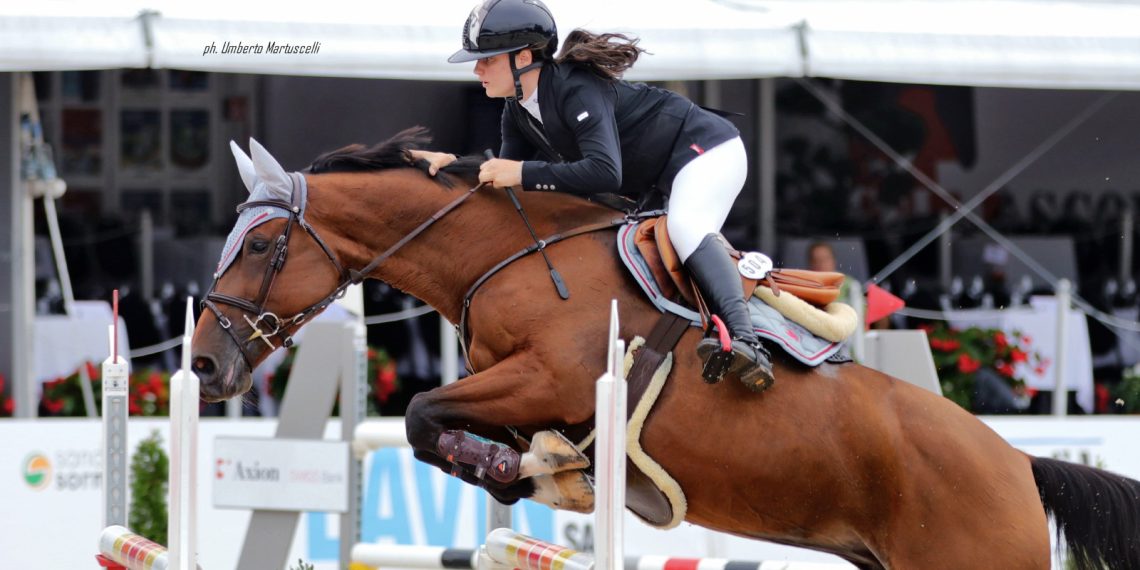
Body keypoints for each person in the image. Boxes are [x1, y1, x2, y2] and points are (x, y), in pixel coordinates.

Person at [408, 0, 773, 391]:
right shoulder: (516, 110)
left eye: (487, 59)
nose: (477, 69)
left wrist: (523, 173)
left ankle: (746, 340)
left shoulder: (575, 89)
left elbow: (604, 172)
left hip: (705, 151)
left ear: (524, 57)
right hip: (659, 180)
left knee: (686, 227)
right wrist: (452, 166)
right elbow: (503, 182)